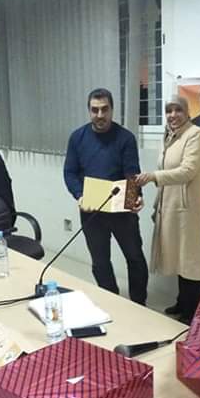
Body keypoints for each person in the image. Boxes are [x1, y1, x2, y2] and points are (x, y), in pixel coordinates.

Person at [63, 88, 148, 305]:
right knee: (100, 262)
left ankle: (139, 305)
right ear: (89, 111)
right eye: (95, 110)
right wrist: (79, 195)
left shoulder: (125, 138)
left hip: (122, 210)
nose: (100, 115)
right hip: (91, 210)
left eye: (104, 109)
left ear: (112, 109)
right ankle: (113, 302)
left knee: (135, 258)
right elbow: (70, 172)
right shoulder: (77, 138)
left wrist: (136, 196)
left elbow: (132, 172)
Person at [136, 95, 200, 323]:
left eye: (178, 110)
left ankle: (192, 312)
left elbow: (187, 171)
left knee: (190, 261)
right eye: (169, 110)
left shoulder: (196, 135)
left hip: (190, 211)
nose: (173, 115)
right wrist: (156, 205)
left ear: (187, 112)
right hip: (171, 207)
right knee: (179, 258)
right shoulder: (170, 136)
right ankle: (182, 301)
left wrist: (153, 176)